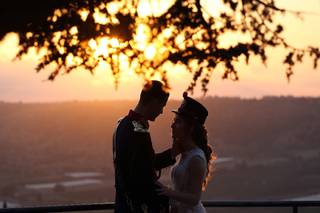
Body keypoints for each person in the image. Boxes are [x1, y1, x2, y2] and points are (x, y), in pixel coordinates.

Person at [113, 80, 178, 213]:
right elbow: (141, 175)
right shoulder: (138, 129)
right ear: (154, 102)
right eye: (162, 106)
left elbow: (145, 162)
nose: (161, 112)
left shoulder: (122, 124)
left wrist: (173, 153)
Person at [157, 92, 214, 213]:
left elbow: (194, 198)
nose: (172, 125)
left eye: (178, 122)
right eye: (174, 121)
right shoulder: (185, 153)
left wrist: (168, 192)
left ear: (191, 128)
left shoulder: (196, 158)